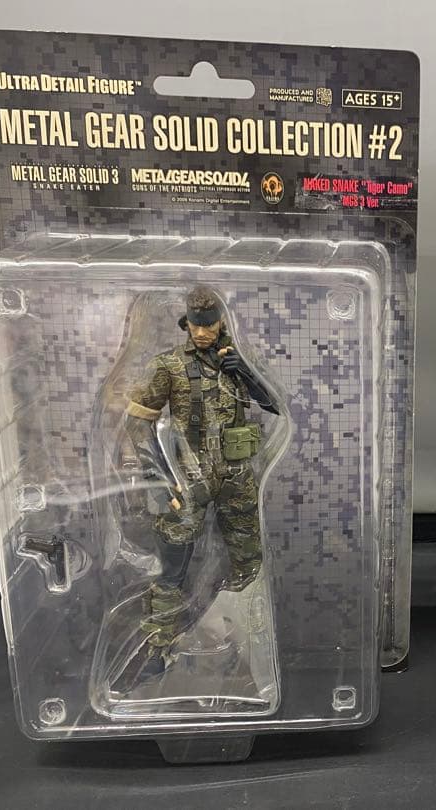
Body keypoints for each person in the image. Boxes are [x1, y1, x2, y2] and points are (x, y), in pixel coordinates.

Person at [119, 286, 279, 684]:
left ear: (222, 322)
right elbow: (138, 423)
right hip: (188, 478)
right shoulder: (170, 365)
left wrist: (245, 372)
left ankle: (247, 646)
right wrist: (160, 479)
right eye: (196, 325)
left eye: (209, 325)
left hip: (236, 476)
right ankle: (158, 648)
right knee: (172, 570)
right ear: (186, 324)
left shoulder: (239, 361)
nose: (203, 333)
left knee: (250, 564)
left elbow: (275, 406)